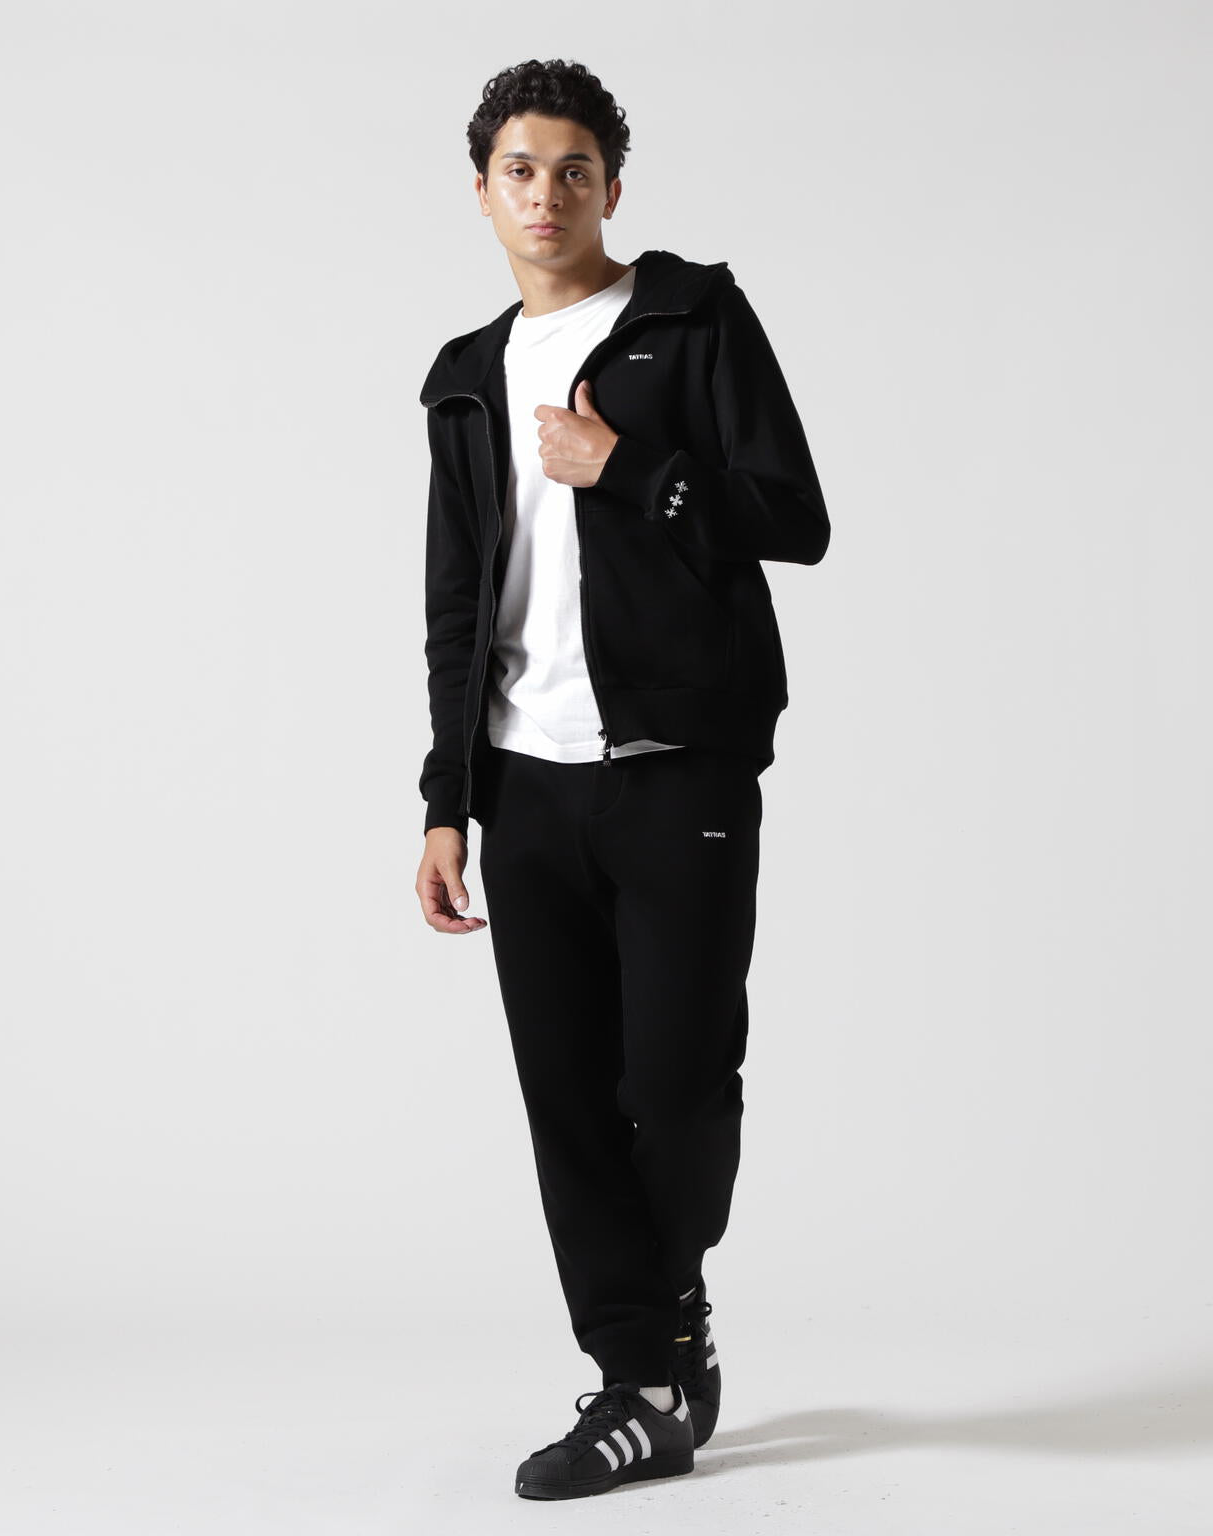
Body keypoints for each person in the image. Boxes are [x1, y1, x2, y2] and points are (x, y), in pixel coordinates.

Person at [412, 57, 830, 1501]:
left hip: (674, 771)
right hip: (525, 786)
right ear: (483, 192)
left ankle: (673, 1300)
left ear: (611, 187)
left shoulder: (691, 318)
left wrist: (631, 467)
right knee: (569, 1097)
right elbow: (458, 602)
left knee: (678, 1081)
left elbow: (795, 516)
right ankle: (639, 1380)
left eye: (573, 170)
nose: (546, 195)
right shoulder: (465, 378)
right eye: (520, 171)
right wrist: (445, 798)